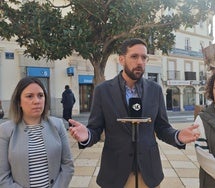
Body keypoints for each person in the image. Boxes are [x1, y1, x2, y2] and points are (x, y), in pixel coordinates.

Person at [68, 38, 200, 188]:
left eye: (144, 57)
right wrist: (87, 136)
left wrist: (178, 136)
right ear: (121, 59)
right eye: (134, 56)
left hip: (149, 172)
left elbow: (162, 128)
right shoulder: (103, 91)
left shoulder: (155, 90)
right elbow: (95, 129)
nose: (140, 62)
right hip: (115, 172)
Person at [0, 77, 74, 188]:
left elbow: (68, 165)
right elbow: (3, 177)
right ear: (19, 101)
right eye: (29, 96)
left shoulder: (58, 125)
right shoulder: (5, 130)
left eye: (40, 95)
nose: (37, 101)